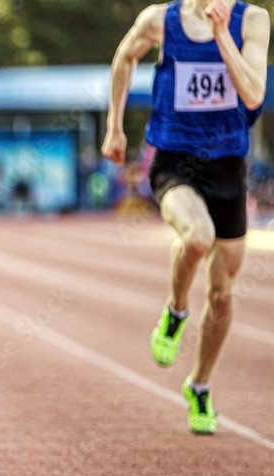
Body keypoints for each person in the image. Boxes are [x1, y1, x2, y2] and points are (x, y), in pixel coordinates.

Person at [102, 0, 269, 435]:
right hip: (173, 162)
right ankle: (176, 312)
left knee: (222, 296)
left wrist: (220, 37)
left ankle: (199, 384)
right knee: (197, 237)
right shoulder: (161, 20)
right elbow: (124, 55)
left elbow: (253, 94)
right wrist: (114, 126)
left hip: (228, 166)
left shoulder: (251, 20)